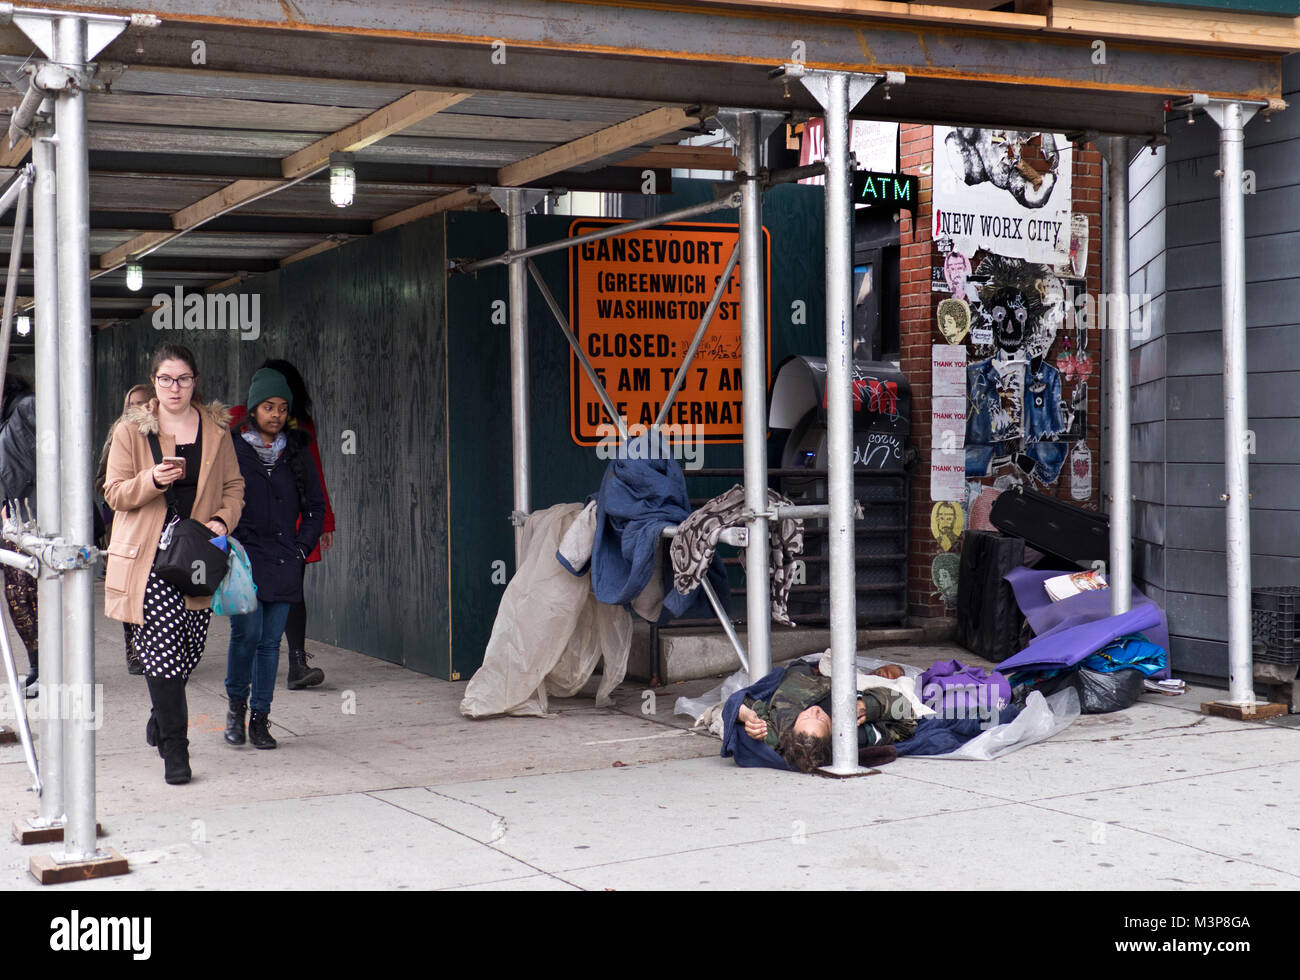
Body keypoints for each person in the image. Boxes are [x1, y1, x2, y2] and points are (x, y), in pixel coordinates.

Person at [103, 344, 244, 785]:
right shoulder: (131, 431)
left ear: (195, 380)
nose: (174, 387)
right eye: (165, 379)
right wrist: (151, 480)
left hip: (197, 556)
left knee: (189, 651)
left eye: (183, 378)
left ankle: (159, 715)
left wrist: (223, 520)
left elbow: (234, 486)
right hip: (149, 561)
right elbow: (114, 492)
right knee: (162, 656)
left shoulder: (216, 430)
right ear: (154, 382)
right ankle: (176, 753)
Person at [224, 367, 325, 750]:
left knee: (269, 643)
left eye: (282, 408)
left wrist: (302, 548)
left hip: (284, 560)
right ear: (253, 409)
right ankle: (236, 707)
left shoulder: (297, 449)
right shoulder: (231, 448)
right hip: (244, 559)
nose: (276, 414)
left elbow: (315, 505)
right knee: (246, 635)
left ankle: (260, 719)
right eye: (268, 406)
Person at [726, 659, 919, 773]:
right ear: (833, 732)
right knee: (895, 673)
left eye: (804, 718)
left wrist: (745, 716)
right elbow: (904, 715)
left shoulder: (778, 732)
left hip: (805, 674)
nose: (814, 711)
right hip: (852, 686)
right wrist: (868, 706)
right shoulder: (857, 735)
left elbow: (740, 705)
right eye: (820, 720)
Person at [95, 383, 152, 675]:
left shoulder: (162, 433)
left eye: (143, 402)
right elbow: (103, 481)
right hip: (124, 521)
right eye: (132, 404)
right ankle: (134, 650)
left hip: (156, 524)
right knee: (129, 589)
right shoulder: (118, 434)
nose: (137, 408)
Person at [0, 374, 39, 698]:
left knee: (35, 597)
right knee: (18, 599)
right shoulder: (7, 418)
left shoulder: (26, 407)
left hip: (35, 519)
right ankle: (38, 663)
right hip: (14, 520)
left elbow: (48, 457)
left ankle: (49, 667)